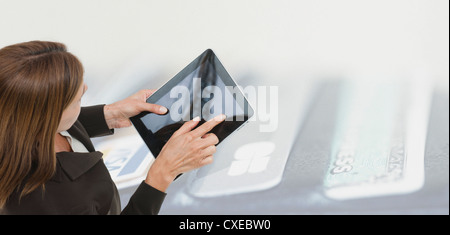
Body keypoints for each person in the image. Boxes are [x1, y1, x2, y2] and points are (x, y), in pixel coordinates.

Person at [0, 41, 225, 214]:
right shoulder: (62, 199)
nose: (85, 89)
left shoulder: (17, 125)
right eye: (75, 98)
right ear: (45, 116)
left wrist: (110, 114)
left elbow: (64, 124)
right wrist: (162, 173)